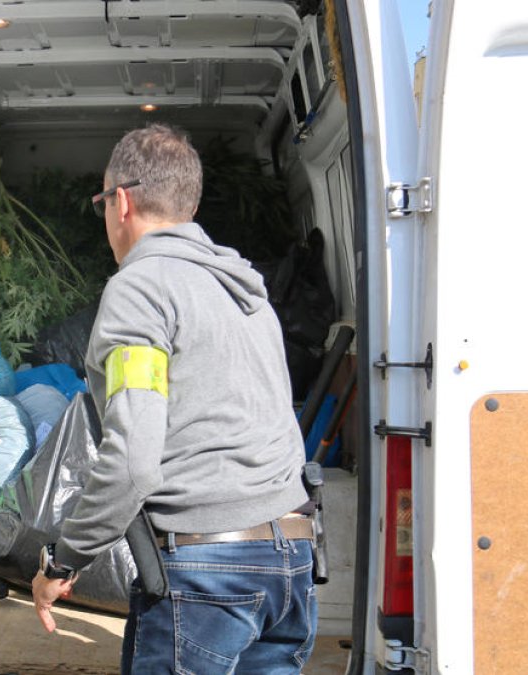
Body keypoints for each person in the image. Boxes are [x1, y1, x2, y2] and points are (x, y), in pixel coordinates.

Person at [32, 123, 316, 673]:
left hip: (209, 574)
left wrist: (63, 562)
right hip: (292, 559)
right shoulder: (246, 291)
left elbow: (132, 463)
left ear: (120, 202)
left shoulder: (140, 289)